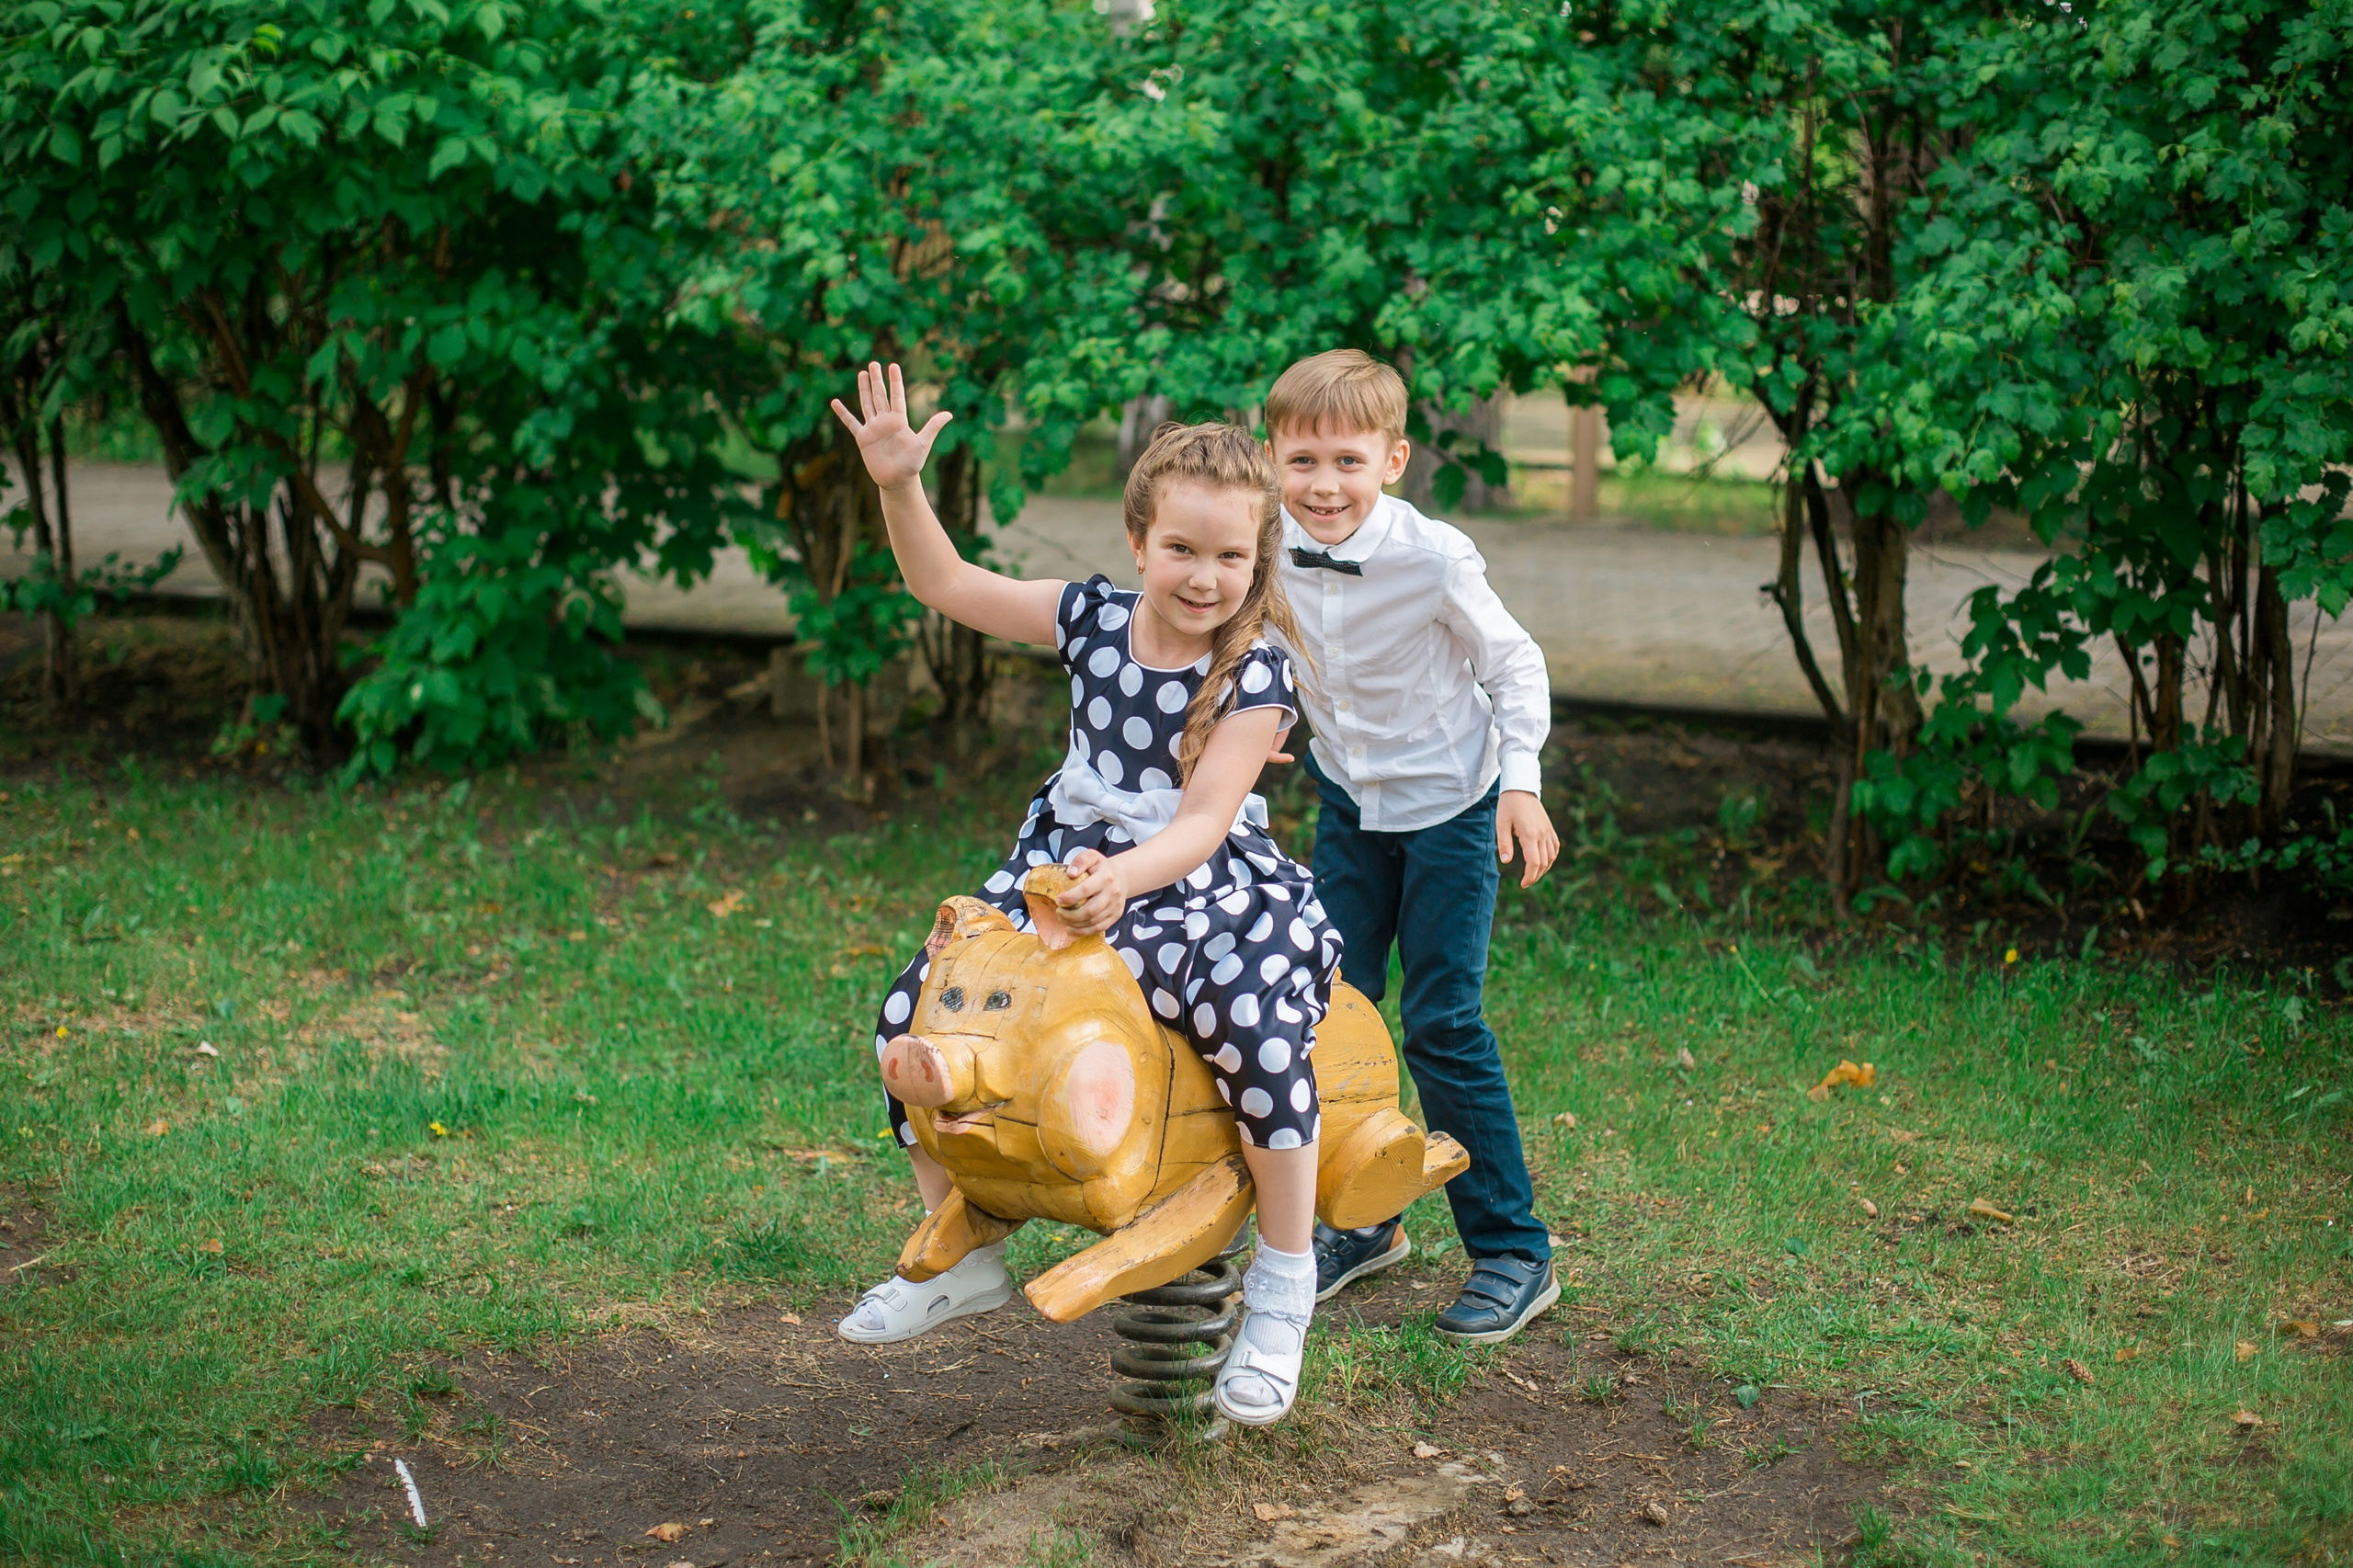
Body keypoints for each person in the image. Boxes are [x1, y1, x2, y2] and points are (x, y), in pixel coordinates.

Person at [827, 363, 1340, 1426]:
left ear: (1260, 558)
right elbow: (948, 584)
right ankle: (964, 1235)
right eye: (1182, 550)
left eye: (1231, 555)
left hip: (1197, 883)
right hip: (1063, 868)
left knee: (1248, 1026)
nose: (1205, 576)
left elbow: (1201, 821)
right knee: (911, 1008)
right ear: (1138, 544)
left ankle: (1285, 1282)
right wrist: (896, 486)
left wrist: (1123, 879)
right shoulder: (1092, 621)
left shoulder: (1255, 671)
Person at [1266, 349, 1564, 1346]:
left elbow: (1515, 667)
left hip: (1450, 808)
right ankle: (1364, 1221)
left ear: (1391, 459)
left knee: (1441, 1022)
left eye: (1346, 460)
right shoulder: (1264, 545)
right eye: (1301, 460)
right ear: (1272, 459)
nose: (1322, 485)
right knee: (1329, 1011)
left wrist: (1518, 784)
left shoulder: (1434, 556)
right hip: (1348, 802)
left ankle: (1514, 1249)